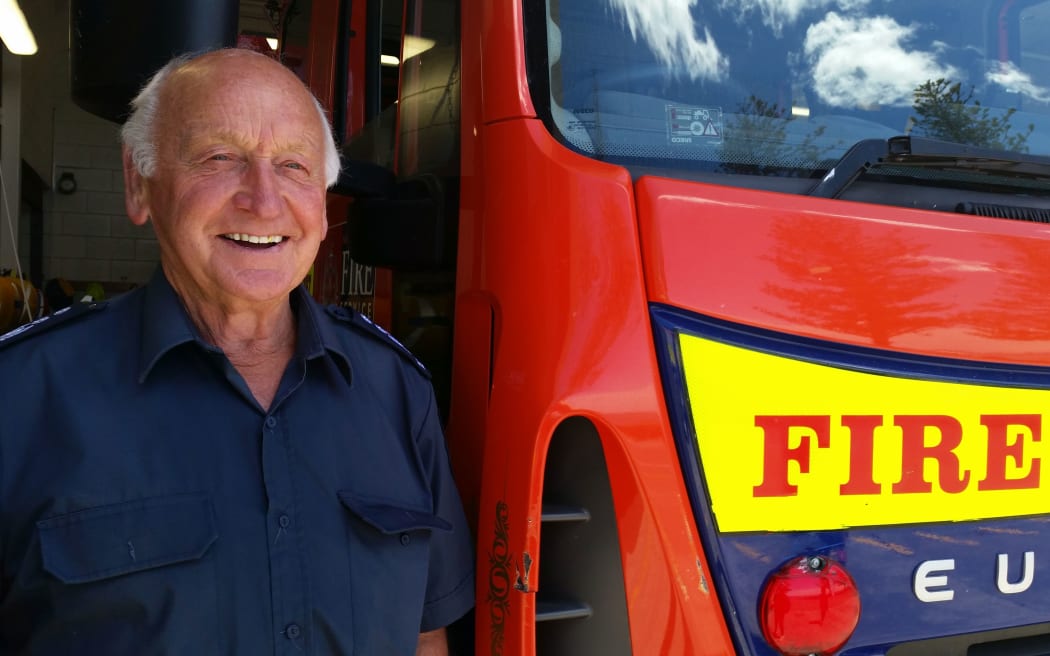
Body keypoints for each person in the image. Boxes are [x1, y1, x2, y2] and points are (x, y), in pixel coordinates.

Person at [0, 48, 474, 655]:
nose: (265, 199)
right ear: (138, 183)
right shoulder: (21, 399)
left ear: (324, 211)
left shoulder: (396, 390)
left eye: (294, 166)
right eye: (220, 158)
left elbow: (425, 633)